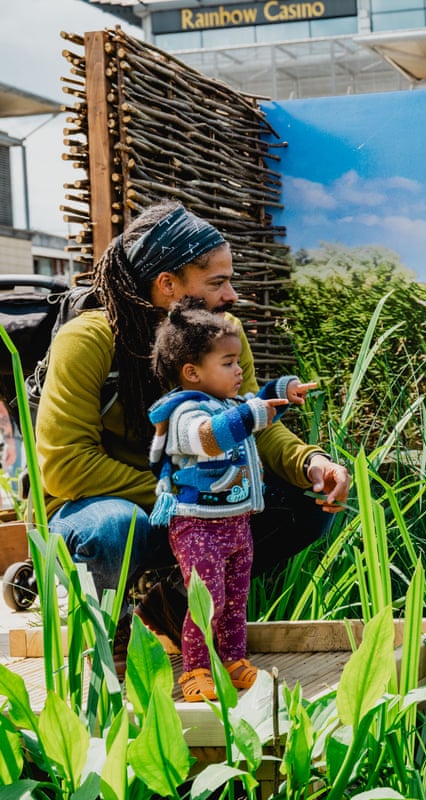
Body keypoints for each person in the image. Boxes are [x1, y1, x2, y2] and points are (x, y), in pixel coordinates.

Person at [34, 201, 350, 649]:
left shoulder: (223, 334)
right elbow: (67, 468)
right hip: (94, 512)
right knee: (116, 526)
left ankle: (175, 608)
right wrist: (186, 493)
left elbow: (250, 422)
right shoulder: (89, 341)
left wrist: (309, 462)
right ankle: (105, 633)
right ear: (168, 285)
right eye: (217, 283)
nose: (231, 295)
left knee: (304, 501)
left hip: (189, 503)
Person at [148, 297, 312, 700]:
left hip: (237, 524)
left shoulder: (229, 404)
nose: (239, 370)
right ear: (192, 371)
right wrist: (252, 413)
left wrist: (282, 391)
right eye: (227, 363)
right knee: (208, 602)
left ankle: (233, 661)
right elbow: (211, 437)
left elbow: (254, 409)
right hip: (197, 527)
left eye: (237, 361)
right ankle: (196, 670)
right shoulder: (185, 413)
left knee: (237, 601)